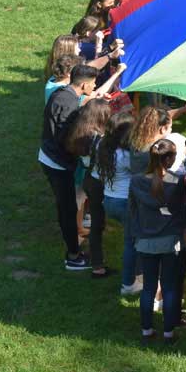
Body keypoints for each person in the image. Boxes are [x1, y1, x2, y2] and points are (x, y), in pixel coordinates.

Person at [128, 138, 186, 344]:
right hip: (170, 241)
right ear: (169, 159)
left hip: (145, 241)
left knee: (148, 287)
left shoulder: (136, 181)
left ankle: (146, 330)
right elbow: (182, 210)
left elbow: (132, 210)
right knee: (169, 287)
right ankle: (169, 332)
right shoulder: (177, 182)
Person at [41, 64, 100, 270]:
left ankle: (74, 250)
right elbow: (66, 138)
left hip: (50, 157)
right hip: (57, 163)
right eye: (93, 83)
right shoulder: (68, 104)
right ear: (83, 85)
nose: (94, 87)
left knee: (67, 207)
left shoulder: (64, 94)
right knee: (67, 209)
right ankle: (73, 256)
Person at [92, 111, 142, 295]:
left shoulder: (102, 147)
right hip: (125, 203)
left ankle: (138, 274)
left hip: (109, 200)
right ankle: (129, 284)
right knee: (132, 242)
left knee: (132, 239)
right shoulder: (125, 156)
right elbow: (141, 170)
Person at [65, 99, 112, 277]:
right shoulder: (98, 139)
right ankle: (98, 266)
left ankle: (96, 262)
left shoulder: (80, 131)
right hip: (96, 180)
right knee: (97, 222)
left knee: (96, 221)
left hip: (86, 176)